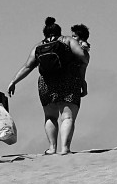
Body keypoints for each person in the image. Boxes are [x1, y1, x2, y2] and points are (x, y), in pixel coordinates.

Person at [7, 17, 88, 155]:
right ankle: (65, 149)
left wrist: (14, 81)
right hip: (68, 80)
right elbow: (83, 57)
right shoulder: (67, 40)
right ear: (59, 31)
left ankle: (51, 148)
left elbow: (28, 66)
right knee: (67, 117)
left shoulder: (39, 46)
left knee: (50, 117)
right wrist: (84, 52)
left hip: (46, 84)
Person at [70, 24, 91, 97]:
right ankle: (84, 91)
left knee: (81, 77)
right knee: (81, 77)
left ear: (81, 37)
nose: (72, 38)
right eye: (72, 36)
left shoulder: (81, 43)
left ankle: (85, 91)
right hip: (80, 63)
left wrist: (83, 46)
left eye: (75, 36)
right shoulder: (75, 43)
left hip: (81, 63)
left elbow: (85, 45)